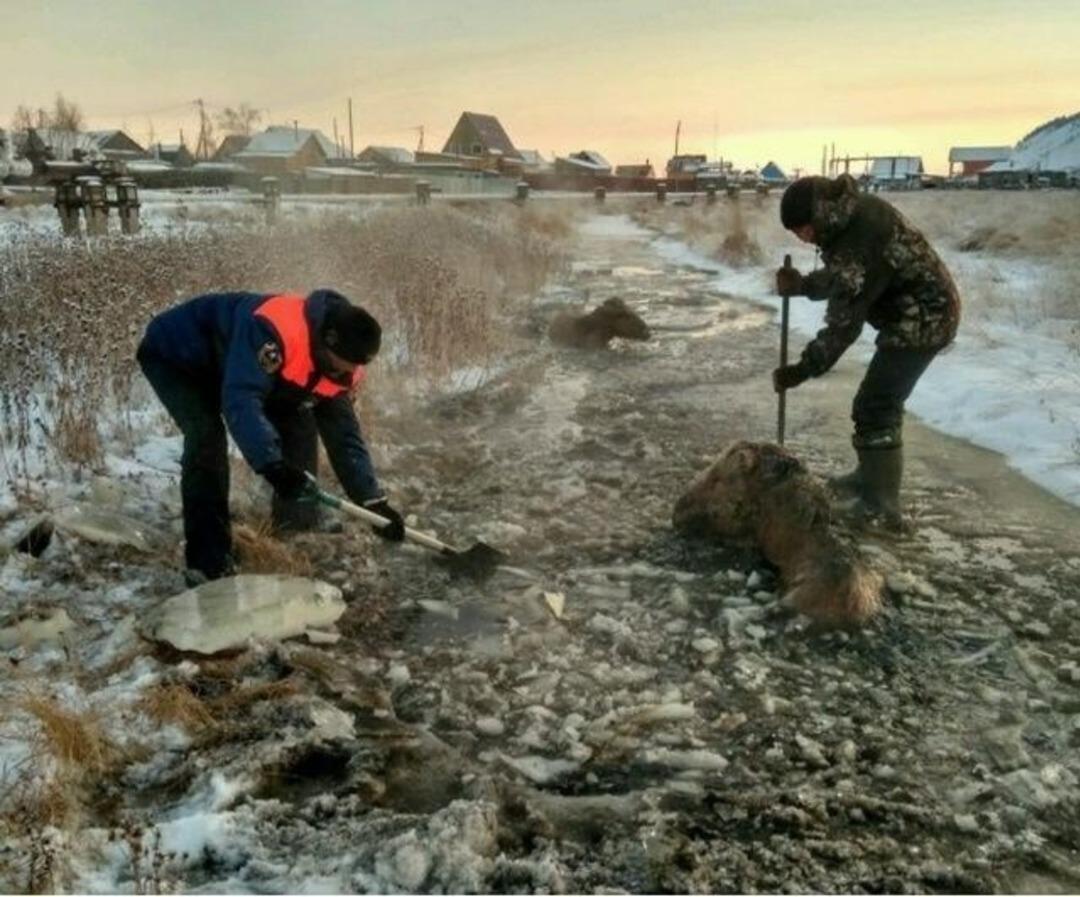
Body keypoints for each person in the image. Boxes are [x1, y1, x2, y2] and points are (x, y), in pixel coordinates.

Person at [137, 288, 406, 585]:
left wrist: (372, 502)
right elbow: (241, 399)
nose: (352, 371)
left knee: (300, 422)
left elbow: (343, 433)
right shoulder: (271, 331)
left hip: (234, 365)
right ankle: (208, 564)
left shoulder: (341, 365)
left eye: (357, 366)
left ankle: (294, 529)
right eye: (348, 363)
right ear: (327, 343)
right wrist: (273, 466)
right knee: (206, 439)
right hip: (179, 357)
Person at [773, 174, 961, 528]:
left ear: (820, 212)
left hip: (925, 317)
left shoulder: (861, 232)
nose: (803, 238)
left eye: (804, 229)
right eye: (797, 233)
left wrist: (802, 369)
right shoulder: (850, 219)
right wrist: (803, 286)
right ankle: (868, 479)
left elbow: (845, 322)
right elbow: (845, 277)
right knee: (875, 403)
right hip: (908, 314)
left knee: (876, 405)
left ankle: (881, 502)